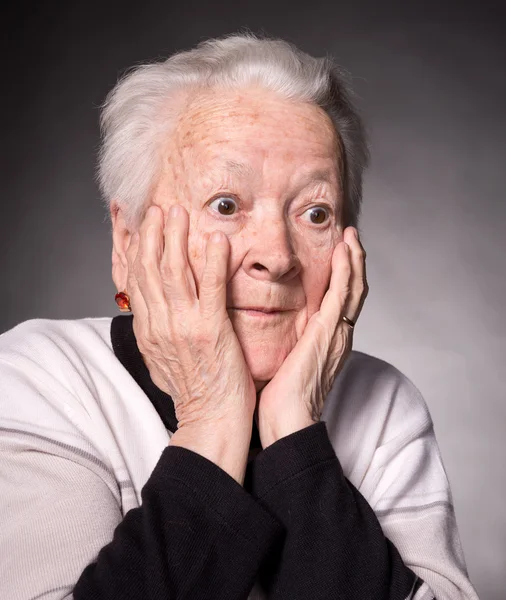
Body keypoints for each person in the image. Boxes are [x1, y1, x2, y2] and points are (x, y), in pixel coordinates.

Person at [0, 32, 479, 600]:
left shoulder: (384, 408)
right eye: (226, 205)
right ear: (127, 242)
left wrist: (295, 438)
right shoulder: (35, 381)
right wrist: (212, 419)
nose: (276, 256)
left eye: (316, 212)